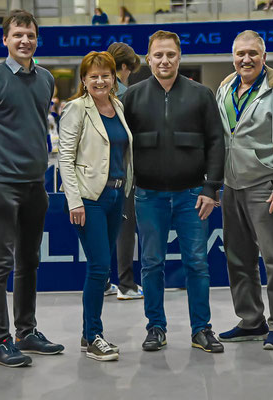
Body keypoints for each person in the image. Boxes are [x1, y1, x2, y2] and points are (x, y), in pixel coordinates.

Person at [0, 9, 64, 368]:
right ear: (4, 39)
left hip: (35, 185)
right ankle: (0, 340)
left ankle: (26, 331)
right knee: (0, 264)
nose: (25, 40)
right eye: (18, 34)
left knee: (30, 262)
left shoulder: (46, 79)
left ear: (37, 39)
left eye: (30, 35)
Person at [122, 30, 225, 353]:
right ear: (148, 58)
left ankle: (201, 329)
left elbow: (216, 142)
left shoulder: (201, 95)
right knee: (152, 263)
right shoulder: (132, 97)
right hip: (148, 195)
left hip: (192, 195)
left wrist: (211, 188)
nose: (164, 60)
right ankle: (155, 327)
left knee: (197, 263)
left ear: (179, 57)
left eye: (170, 55)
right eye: (158, 55)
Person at [215, 30, 273, 350]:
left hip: (265, 187)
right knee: (237, 258)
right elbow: (218, 139)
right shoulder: (225, 87)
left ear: (264, 57)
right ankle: (252, 320)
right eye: (240, 53)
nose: (246, 59)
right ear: (233, 56)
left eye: (253, 53)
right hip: (231, 186)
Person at [59, 51, 134, 362]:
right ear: (84, 80)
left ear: (114, 77)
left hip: (117, 196)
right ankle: (93, 337)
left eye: (106, 74)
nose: (101, 80)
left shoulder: (117, 106)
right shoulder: (76, 109)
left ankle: (87, 332)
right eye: (94, 76)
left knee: (103, 266)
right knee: (99, 268)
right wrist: (74, 201)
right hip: (89, 199)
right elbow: (65, 157)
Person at [106, 42, 143, 300]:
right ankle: (127, 285)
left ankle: (104, 283)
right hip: (123, 171)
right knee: (125, 230)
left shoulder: (92, 91)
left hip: (97, 175)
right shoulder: (126, 94)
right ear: (124, 68)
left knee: (102, 231)